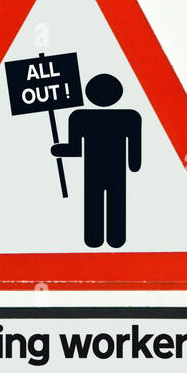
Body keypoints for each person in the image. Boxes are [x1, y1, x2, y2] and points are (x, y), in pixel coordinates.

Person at [51, 73, 141, 248]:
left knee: (94, 204)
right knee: (117, 202)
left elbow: (74, 149)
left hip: (94, 172)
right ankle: (116, 240)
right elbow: (135, 149)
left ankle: (94, 240)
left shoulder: (80, 117)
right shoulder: (130, 117)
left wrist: (58, 149)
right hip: (116, 171)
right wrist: (134, 165)